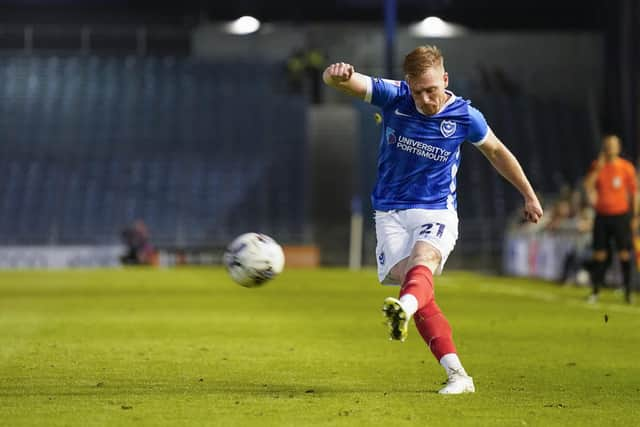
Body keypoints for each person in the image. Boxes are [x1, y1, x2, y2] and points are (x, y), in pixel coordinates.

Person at [322, 45, 543, 394]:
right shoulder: (394, 97)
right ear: (407, 84)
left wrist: (529, 195)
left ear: (445, 79)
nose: (426, 99)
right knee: (414, 284)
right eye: (418, 91)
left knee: (421, 266)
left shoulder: (465, 116)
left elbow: (497, 152)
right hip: (389, 213)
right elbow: (347, 83)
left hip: (435, 210)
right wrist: (336, 76)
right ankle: (458, 375)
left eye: (432, 90)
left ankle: (403, 309)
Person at [583, 134, 638, 304]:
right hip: (602, 216)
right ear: (604, 148)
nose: (610, 148)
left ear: (619, 148)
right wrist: (598, 168)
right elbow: (588, 186)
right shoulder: (597, 166)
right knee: (599, 254)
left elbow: (634, 193)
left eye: (613, 145)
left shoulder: (626, 168)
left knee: (624, 254)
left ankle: (628, 292)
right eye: (608, 145)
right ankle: (595, 291)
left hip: (621, 215)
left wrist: (635, 216)